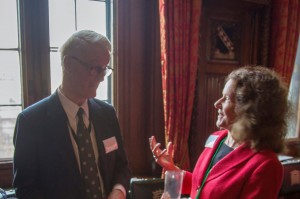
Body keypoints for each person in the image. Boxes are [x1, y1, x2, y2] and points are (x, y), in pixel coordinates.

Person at [13, 30, 131, 199]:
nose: (102, 78)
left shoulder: (107, 114)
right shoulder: (31, 122)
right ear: (68, 64)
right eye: (95, 69)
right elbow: (26, 189)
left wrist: (119, 191)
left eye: (105, 70)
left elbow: (122, 166)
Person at [149, 66, 289, 199]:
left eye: (227, 98)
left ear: (249, 109)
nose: (217, 103)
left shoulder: (266, 165)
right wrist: (173, 169)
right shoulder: (217, 138)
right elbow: (202, 186)